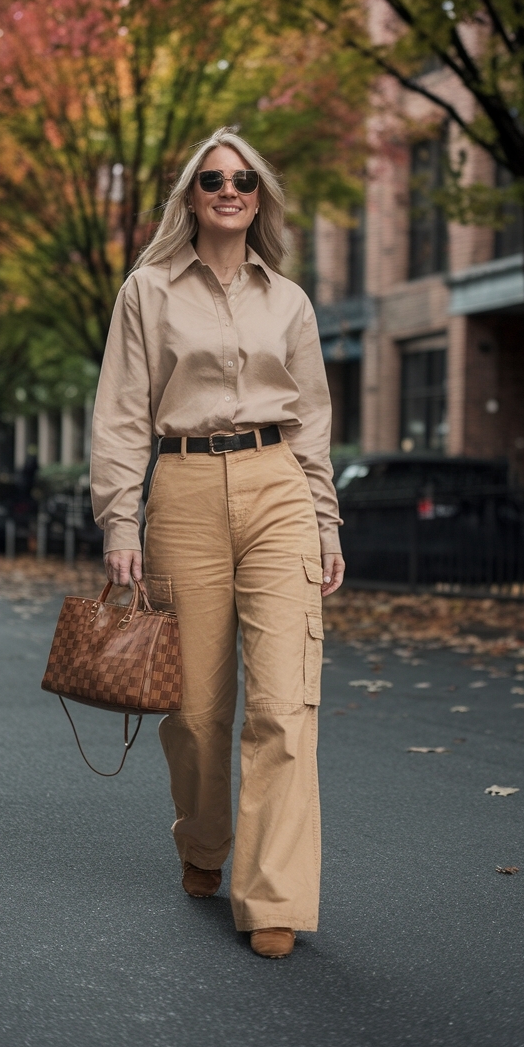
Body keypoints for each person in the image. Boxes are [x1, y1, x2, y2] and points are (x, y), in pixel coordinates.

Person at [91, 127, 345, 959]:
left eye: (243, 179)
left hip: (278, 491)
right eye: (212, 179)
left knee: (283, 704)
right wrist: (118, 520)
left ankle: (273, 891)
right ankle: (204, 841)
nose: (229, 189)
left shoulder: (292, 302)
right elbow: (124, 415)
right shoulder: (148, 291)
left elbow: (311, 422)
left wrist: (325, 518)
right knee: (195, 712)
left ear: (260, 195)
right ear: (191, 197)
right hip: (186, 493)